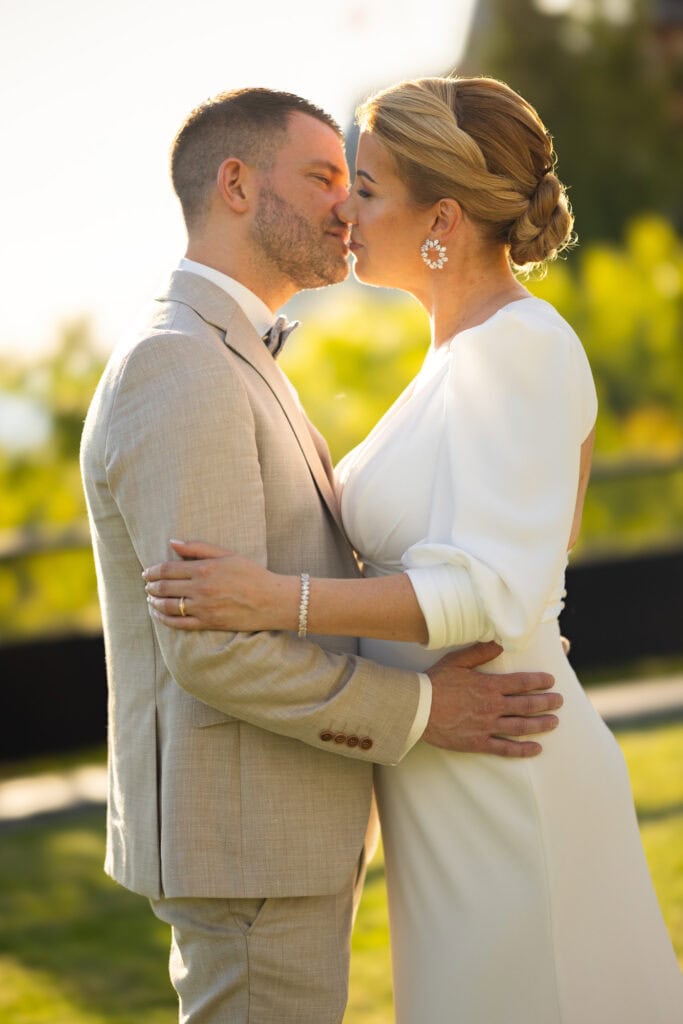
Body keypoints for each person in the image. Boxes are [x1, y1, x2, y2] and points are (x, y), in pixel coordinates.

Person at [144, 77, 683, 1022]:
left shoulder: (519, 345)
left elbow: (489, 586)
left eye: (366, 186)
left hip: (506, 771)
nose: (345, 209)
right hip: (440, 770)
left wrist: (278, 601)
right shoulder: (452, 355)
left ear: (440, 217)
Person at [80, 87, 565, 1024]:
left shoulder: (230, 355)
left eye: (353, 183)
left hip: (275, 837)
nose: (346, 205)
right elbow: (212, 644)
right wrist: (426, 711)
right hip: (248, 844)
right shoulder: (178, 363)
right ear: (234, 184)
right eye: (321, 177)